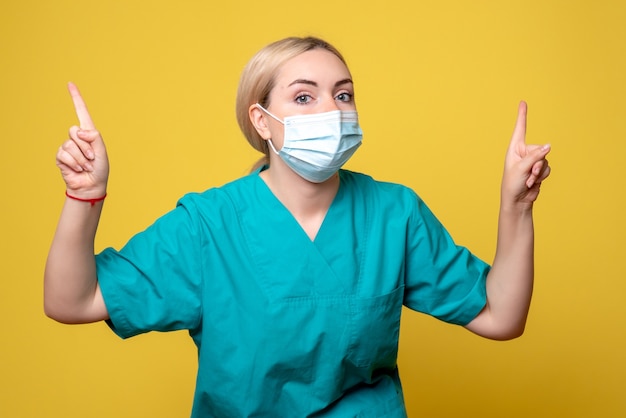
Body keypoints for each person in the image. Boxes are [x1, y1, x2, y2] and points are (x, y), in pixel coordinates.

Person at [44, 36, 551, 417]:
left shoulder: (393, 213)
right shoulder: (209, 226)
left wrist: (516, 208)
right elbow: (73, 301)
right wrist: (84, 197)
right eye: (305, 98)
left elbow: (501, 317)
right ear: (262, 121)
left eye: (344, 94)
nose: (333, 109)